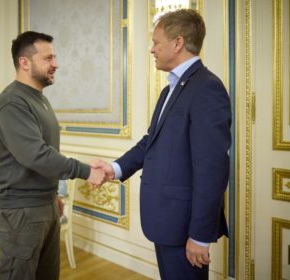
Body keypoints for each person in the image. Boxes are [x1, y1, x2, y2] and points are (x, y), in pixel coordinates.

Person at [92, 9, 231, 280]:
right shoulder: (170, 89)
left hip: (184, 225)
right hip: (166, 220)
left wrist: (200, 236)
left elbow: (212, 169)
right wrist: (114, 168)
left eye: (156, 42)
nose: (151, 49)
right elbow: (150, 142)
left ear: (177, 43)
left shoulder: (207, 88)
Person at [0, 31, 106, 280]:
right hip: (20, 213)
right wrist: (86, 171)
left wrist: (51, 195)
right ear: (24, 62)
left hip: (45, 207)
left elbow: (45, 153)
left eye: (55, 57)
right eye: (48, 58)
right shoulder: (12, 102)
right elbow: (37, 156)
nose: (56, 64)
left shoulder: (38, 99)